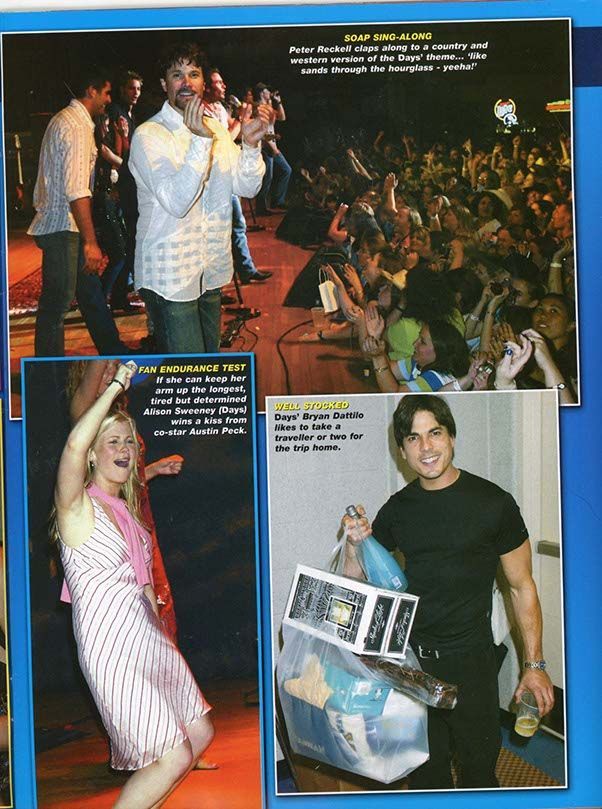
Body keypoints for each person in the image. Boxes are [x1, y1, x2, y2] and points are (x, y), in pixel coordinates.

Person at [342, 394, 554, 790]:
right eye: (413, 438)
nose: (426, 448)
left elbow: (522, 586)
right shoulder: (398, 509)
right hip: (413, 666)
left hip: (471, 663)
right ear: (402, 450)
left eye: (434, 433)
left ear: (452, 437)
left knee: (478, 774)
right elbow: (356, 583)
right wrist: (355, 544)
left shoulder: (493, 503)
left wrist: (535, 665)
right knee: (425, 775)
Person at [54, 361, 214, 807]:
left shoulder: (129, 514)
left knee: (199, 734)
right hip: (111, 650)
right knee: (171, 756)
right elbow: (71, 445)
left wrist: (166, 641)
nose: (124, 448)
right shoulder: (77, 507)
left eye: (129, 441)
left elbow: (144, 591)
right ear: (92, 453)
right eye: (112, 442)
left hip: (148, 639)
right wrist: (117, 386)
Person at [129, 43, 269, 353]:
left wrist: (250, 146)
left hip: (210, 269)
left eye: (194, 74)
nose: (187, 82)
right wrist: (199, 143)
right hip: (170, 277)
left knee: (209, 363)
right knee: (190, 375)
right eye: (177, 74)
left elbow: (246, 188)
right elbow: (177, 202)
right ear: (164, 84)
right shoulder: (149, 135)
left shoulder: (216, 130)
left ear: (203, 83)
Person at [28, 67, 129, 357]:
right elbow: (76, 190)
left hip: (64, 224)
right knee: (56, 305)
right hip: (63, 227)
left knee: (90, 294)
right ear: (92, 91)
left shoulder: (70, 121)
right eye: (107, 93)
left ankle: (112, 349)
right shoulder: (75, 126)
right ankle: (48, 374)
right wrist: (90, 241)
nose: (109, 100)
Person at [202, 68, 271, 284]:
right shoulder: (203, 112)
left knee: (238, 224)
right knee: (221, 231)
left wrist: (245, 125)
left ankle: (245, 268)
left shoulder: (220, 109)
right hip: (213, 180)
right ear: (206, 86)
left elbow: (233, 136)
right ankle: (224, 278)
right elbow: (224, 140)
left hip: (228, 171)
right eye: (218, 82)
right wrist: (239, 122)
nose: (223, 86)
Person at [253, 82, 292, 215]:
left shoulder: (267, 107)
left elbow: (282, 117)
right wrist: (273, 148)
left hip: (271, 145)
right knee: (267, 177)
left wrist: (278, 102)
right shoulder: (259, 108)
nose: (269, 92)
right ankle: (261, 207)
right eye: (267, 90)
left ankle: (276, 201)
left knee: (284, 171)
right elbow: (263, 132)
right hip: (266, 147)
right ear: (261, 93)